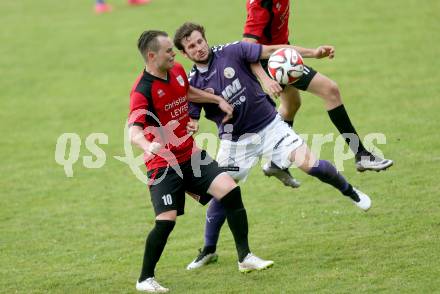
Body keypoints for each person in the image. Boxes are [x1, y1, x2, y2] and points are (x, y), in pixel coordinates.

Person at [173, 22, 372, 270]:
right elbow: (192, 117)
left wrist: (313, 52)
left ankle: (350, 191)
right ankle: (209, 250)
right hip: (234, 143)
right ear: (184, 53)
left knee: (310, 166)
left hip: (270, 127)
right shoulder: (193, 83)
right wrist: (191, 126)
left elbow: (273, 50)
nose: (198, 48)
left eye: (200, 41)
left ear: (205, 38)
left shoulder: (233, 50)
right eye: (191, 46)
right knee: (221, 193)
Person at [129, 30, 273, 292]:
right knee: (166, 220)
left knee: (229, 190)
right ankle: (144, 278)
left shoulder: (178, 71)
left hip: (190, 155)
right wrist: (146, 145)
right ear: (152, 56)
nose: (174, 53)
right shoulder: (143, 90)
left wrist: (216, 99)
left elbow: (188, 92)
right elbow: (133, 130)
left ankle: (245, 258)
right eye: (168, 51)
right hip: (163, 165)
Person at [242, 0, 393, 176]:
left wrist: (311, 52)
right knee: (330, 90)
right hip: (274, 62)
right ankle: (361, 155)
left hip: (282, 53)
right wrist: (266, 80)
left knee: (291, 105)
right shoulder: (262, 3)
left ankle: (277, 161)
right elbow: (247, 48)